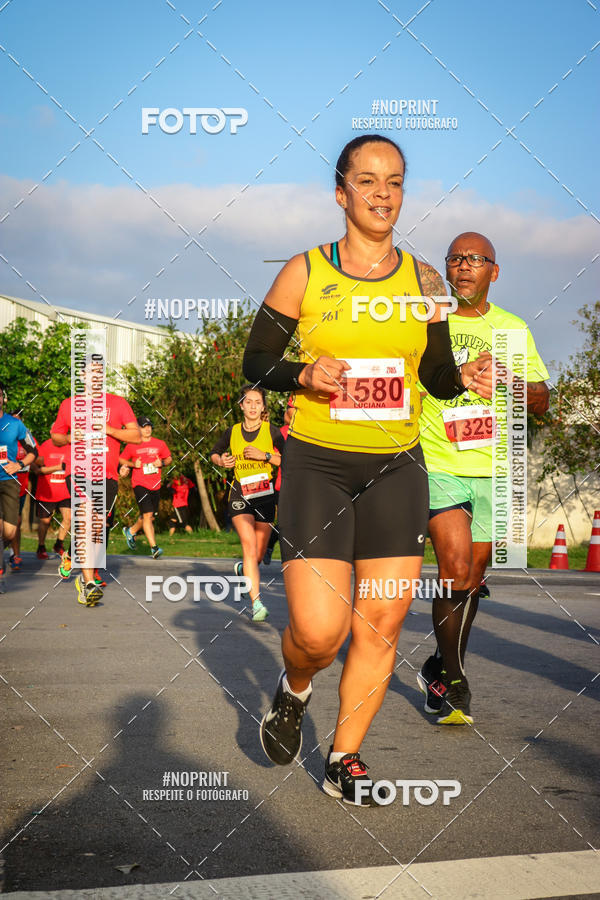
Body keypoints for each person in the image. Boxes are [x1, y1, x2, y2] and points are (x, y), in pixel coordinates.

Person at [242, 135, 493, 805]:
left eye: (396, 181)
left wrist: (460, 376)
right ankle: (296, 688)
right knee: (320, 633)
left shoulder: (424, 281)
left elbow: (434, 376)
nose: (383, 193)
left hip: (397, 467)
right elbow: (256, 361)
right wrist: (302, 373)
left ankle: (344, 756)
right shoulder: (305, 270)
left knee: (381, 621)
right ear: (341, 192)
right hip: (320, 463)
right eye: (368, 180)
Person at [416, 232, 549, 725]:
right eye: (456, 258)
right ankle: (455, 682)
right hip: (442, 462)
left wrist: (508, 381)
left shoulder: (513, 330)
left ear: (494, 271)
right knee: (452, 568)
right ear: (448, 270)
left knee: (471, 580)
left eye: (475, 259)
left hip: (496, 466)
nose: (464, 266)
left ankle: (437, 663)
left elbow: (542, 401)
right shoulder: (431, 324)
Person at [51, 359, 141, 606]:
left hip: (107, 476)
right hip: (79, 471)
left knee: (97, 528)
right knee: (85, 521)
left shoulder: (117, 403)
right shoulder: (69, 405)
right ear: (82, 375)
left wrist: (110, 430)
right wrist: (71, 436)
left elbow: (135, 434)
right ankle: (88, 581)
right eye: (91, 371)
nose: (96, 376)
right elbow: (56, 436)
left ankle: (83, 575)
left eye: (100, 372)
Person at [210, 385, 284, 623]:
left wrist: (264, 456)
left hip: (264, 495)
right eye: (248, 402)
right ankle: (257, 603)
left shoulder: (271, 431)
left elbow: (288, 458)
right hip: (240, 493)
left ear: (263, 407)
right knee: (249, 546)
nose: (253, 406)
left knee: (259, 554)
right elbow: (214, 452)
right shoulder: (231, 432)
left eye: (257, 402)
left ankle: (243, 570)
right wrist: (221, 460)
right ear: (241, 405)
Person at [0, 382, 38, 591]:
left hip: (9, 481)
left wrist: (21, 464)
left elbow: (33, 451)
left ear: (3, 398)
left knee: (10, 532)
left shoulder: (15, 424)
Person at [120, 417, 172, 558]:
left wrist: (161, 462)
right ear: (138, 429)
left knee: (149, 517)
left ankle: (131, 531)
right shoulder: (132, 445)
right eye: (144, 426)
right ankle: (154, 548)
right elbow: (121, 459)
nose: (147, 429)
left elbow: (168, 458)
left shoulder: (160, 444)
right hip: (140, 484)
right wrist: (133, 464)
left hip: (155, 485)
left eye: (149, 426)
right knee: (148, 515)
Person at [262, 397, 294, 565]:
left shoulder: (313, 431)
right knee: (284, 522)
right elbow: (272, 455)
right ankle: (269, 546)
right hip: (284, 484)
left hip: (309, 485)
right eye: (290, 409)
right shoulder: (282, 432)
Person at [7, 409, 38, 571]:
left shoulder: (26, 440)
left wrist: (25, 461)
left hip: (21, 486)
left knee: (16, 522)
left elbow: (37, 456)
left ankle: (15, 554)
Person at [33, 437, 71, 560]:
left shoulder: (71, 445)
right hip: (47, 491)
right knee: (45, 521)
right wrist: (58, 467)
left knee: (69, 518)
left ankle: (59, 544)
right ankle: (41, 546)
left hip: (65, 491)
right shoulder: (45, 446)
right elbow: (38, 470)